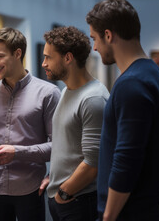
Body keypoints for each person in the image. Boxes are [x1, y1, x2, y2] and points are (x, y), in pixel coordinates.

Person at [86, 0, 159, 221]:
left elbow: (127, 158)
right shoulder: (152, 72)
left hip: (129, 211)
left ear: (108, 35)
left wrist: (108, 216)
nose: (94, 47)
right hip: (146, 206)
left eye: (94, 39)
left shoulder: (131, 84)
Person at [0, 27, 61, 221]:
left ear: (17, 53)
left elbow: (58, 146)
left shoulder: (48, 93)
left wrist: (17, 152)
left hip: (30, 189)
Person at [42, 26, 109, 221]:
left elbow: (93, 162)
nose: (43, 63)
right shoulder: (66, 91)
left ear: (68, 58)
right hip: (65, 197)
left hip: (77, 199)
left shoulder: (93, 98)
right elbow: (67, 145)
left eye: (48, 57)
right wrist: (52, 178)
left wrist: (63, 193)